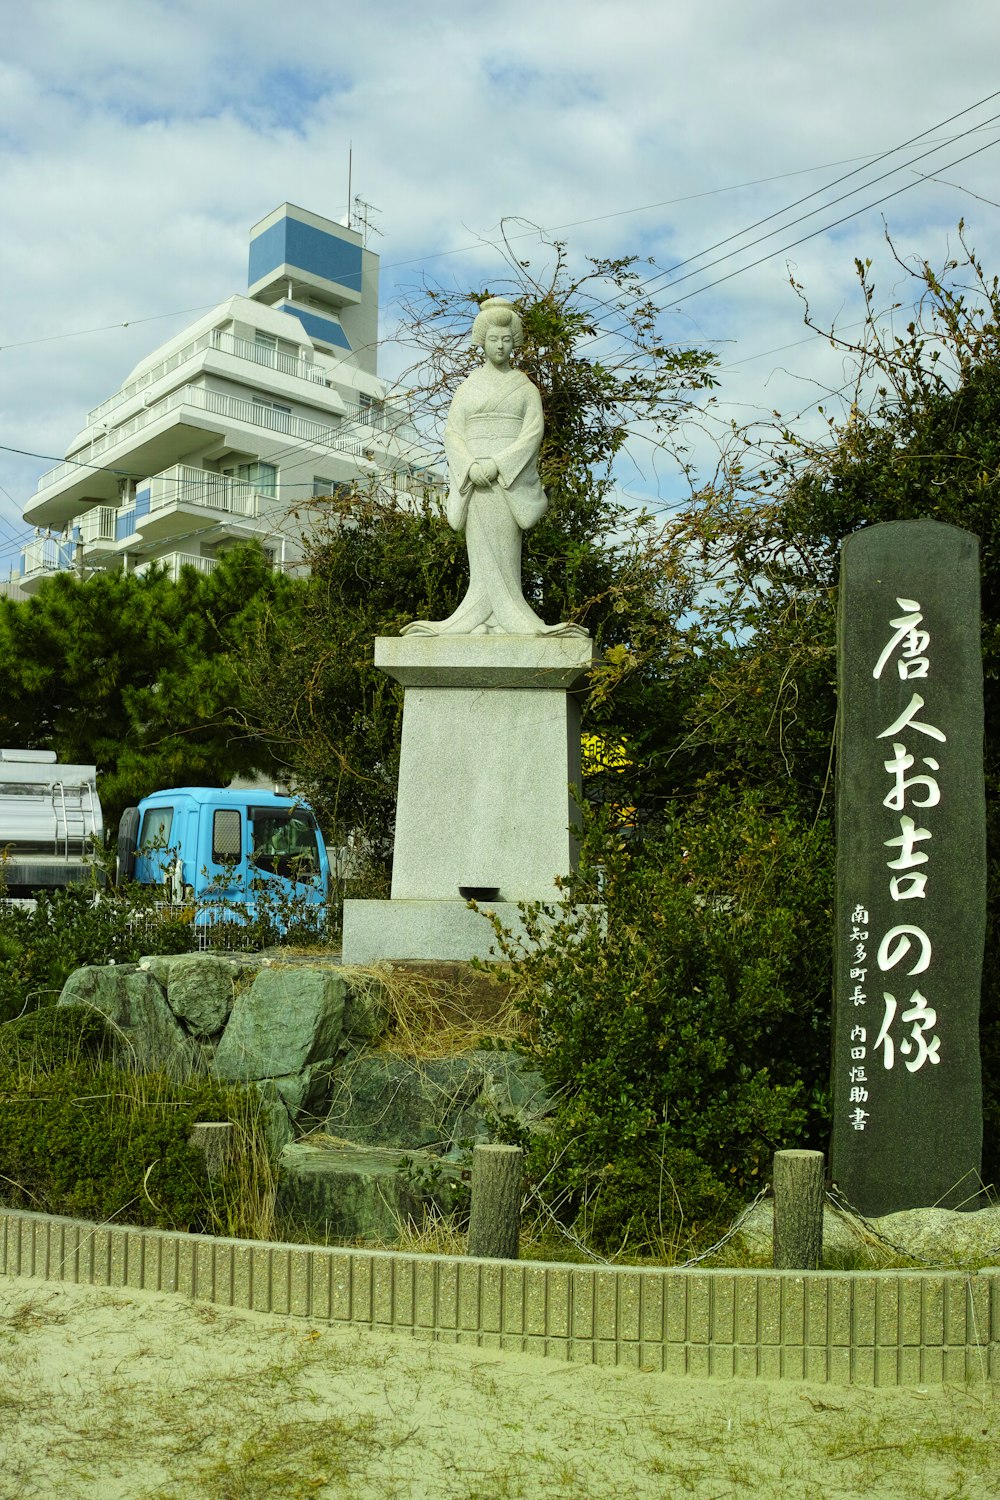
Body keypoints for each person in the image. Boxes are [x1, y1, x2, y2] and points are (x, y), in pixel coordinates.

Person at [402, 298, 586, 637]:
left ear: (513, 342)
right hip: (475, 480)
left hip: (506, 481)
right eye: (493, 340)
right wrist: (470, 465)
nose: (499, 346)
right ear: (482, 343)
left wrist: (498, 463)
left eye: (505, 339)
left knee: (504, 547)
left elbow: (532, 433)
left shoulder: (524, 388)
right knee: (480, 549)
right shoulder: (467, 387)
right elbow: (453, 432)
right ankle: (479, 616)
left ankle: (507, 616)